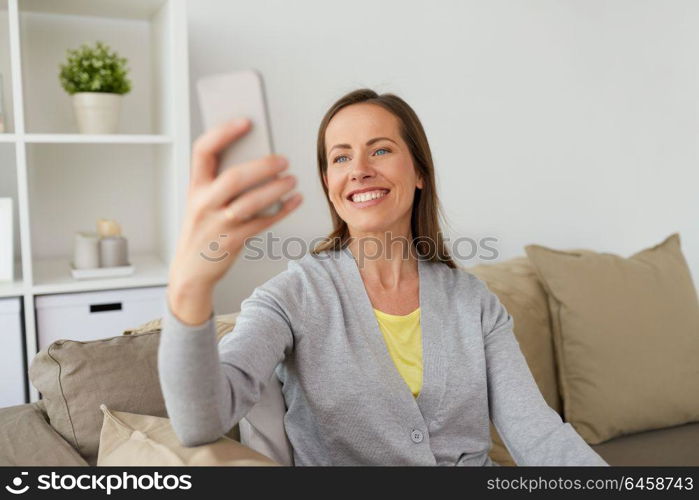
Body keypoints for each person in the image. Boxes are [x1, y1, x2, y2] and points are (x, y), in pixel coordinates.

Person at [158, 88, 609, 466]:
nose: (359, 169)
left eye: (381, 150)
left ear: (418, 173)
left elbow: (538, 436)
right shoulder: (291, 297)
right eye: (340, 158)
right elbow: (201, 420)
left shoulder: (473, 301)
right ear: (329, 185)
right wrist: (190, 288)